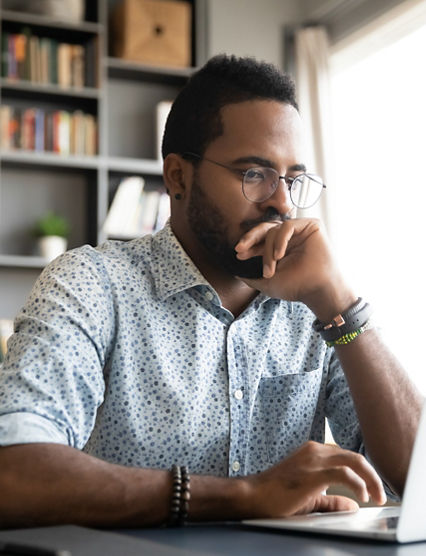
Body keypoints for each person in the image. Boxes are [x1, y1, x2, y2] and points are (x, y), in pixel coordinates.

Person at [0, 54, 422, 528]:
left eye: (293, 179)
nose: (283, 202)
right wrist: (243, 496)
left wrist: (341, 304)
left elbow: (419, 481)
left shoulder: (316, 308)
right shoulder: (92, 285)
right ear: (178, 176)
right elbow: (14, 474)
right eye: (254, 174)